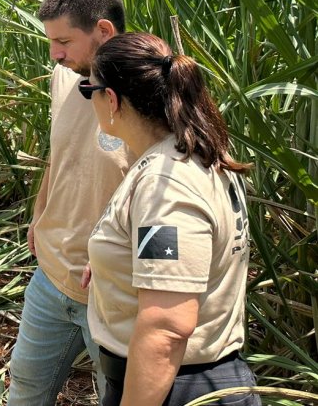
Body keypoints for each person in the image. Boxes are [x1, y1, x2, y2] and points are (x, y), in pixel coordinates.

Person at [83, 33, 259, 406]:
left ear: (111, 99)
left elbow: (167, 328)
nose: (90, 99)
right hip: (188, 380)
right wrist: (109, 263)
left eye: (90, 90)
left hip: (177, 389)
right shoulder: (196, 153)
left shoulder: (166, 183)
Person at [8, 0, 131, 405]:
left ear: (103, 31)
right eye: (50, 41)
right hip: (51, 274)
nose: (54, 54)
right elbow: (59, 152)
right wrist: (40, 215)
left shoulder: (146, 91)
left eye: (63, 41)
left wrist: (115, 252)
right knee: (24, 388)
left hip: (111, 295)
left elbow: (160, 185)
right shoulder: (65, 76)